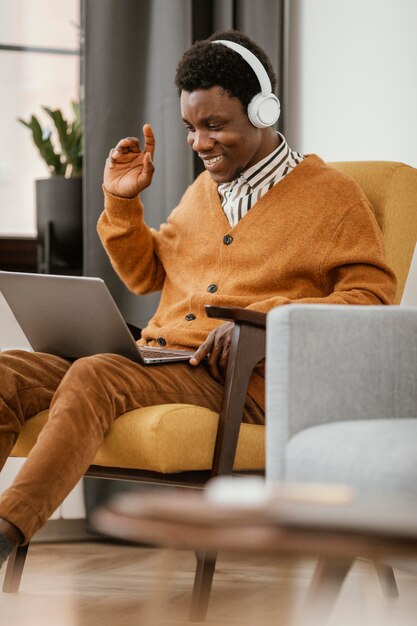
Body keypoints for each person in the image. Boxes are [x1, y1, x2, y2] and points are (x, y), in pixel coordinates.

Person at [0, 30, 396, 565]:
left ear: (263, 111)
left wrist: (263, 318)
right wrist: (121, 206)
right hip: (159, 359)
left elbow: (372, 300)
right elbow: (145, 275)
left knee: (95, 374)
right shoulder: (202, 193)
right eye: (191, 128)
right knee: (6, 372)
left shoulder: (333, 197)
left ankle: (6, 530)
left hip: (235, 379)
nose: (200, 143)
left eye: (215, 126)